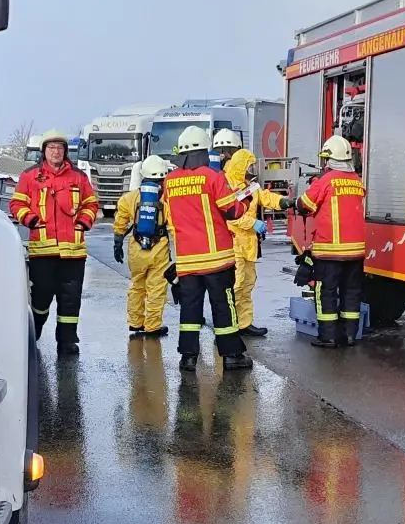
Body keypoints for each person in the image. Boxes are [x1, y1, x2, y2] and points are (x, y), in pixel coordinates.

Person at [162, 126, 253, 373]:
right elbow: (232, 211)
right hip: (216, 259)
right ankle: (232, 356)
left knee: (190, 310)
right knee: (223, 307)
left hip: (187, 260)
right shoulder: (212, 177)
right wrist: (245, 200)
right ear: (204, 150)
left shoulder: (169, 181)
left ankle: (188, 357)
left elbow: (169, 216)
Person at [10, 129, 99, 357]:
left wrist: (84, 222)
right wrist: (30, 219)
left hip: (73, 252)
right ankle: (34, 332)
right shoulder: (30, 176)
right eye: (51, 148)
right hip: (43, 251)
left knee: (70, 300)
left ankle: (67, 340)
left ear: (65, 151)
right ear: (44, 151)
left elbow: (91, 203)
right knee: (41, 297)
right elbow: (16, 204)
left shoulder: (78, 177)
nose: (56, 152)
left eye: (60, 148)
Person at [283, 135, 367, 348]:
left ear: (330, 159)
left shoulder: (326, 181)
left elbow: (304, 205)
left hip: (330, 251)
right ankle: (349, 336)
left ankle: (328, 337)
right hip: (355, 252)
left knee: (326, 292)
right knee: (351, 292)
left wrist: (304, 193)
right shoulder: (356, 180)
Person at [222, 147, 285, 338]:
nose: (252, 169)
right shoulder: (227, 185)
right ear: (241, 166)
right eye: (249, 166)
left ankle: (244, 323)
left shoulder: (251, 185)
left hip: (248, 243)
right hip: (234, 243)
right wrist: (253, 223)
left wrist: (285, 202)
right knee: (236, 285)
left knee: (248, 283)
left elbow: (267, 197)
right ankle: (229, 325)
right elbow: (230, 216)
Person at [112, 155, 172, 339]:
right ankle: (152, 326)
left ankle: (135, 322)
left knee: (137, 286)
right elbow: (173, 226)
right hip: (159, 248)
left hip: (136, 248)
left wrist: (117, 242)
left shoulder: (129, 198)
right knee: (156, 288)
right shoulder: (167, 199)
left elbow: (120, 222)